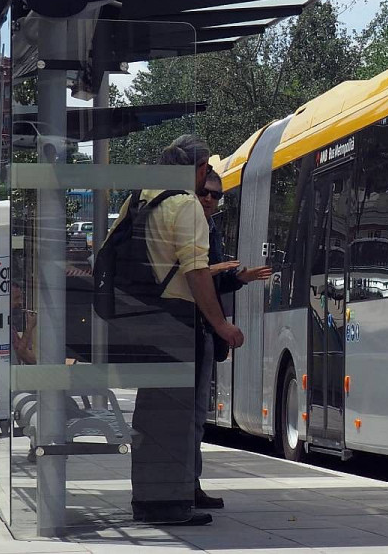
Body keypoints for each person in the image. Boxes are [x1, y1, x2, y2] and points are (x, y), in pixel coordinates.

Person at [115, 134, 244, 527]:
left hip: (142, 318)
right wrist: (221, 324)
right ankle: (167, 503)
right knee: (176, 416)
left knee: (152, 415)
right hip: (175, 321)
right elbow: (196, 273)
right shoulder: (184, 205)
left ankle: (149, 498)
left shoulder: (140, 198)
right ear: (199, 168)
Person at [191, 169, 269, 510]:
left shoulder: (211, 228)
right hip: (188, 328)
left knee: (195, 417)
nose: (209, 199)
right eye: (204, 192)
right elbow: (185, 275)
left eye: (216, 195)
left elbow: (209, 281)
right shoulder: (186, 223)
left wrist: (238, 277)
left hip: (202, 331)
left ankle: (189, 483)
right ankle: (184, 486)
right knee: (189, 416)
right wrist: (217, 273)